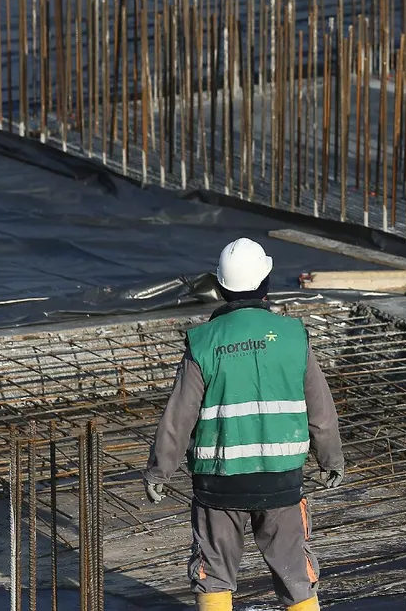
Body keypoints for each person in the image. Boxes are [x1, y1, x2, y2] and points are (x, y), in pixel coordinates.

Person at [144, 237, 345, 611]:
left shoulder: (204, 342)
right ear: (266, 283)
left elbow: (179, 416)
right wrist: (331, 459)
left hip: (219, 487)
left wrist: (160, 470)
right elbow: (321, 411)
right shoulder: (291, 336)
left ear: (220, 287)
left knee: (214, 574)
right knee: (295, 576)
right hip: (281, 483)